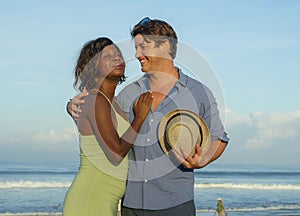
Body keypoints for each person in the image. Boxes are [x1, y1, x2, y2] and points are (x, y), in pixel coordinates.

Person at [68, 17, 229, 216]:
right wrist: (73, 105)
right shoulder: (127, 94)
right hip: (131, 206)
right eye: (136, 48)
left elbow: (219, 137)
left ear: (165, 46)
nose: (136, 55)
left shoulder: (198, 92)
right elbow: (101, 121)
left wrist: (202, 159)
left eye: (143, 47)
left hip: (176, 204)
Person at [63, 37, 152, 216]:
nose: (117, 58)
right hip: (90, 198)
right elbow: (116, 153)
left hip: (107, 199)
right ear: (93, 66)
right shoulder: (96, 100)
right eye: (108, 56)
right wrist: (139, 117)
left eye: (118, 55)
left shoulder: (113, 103)